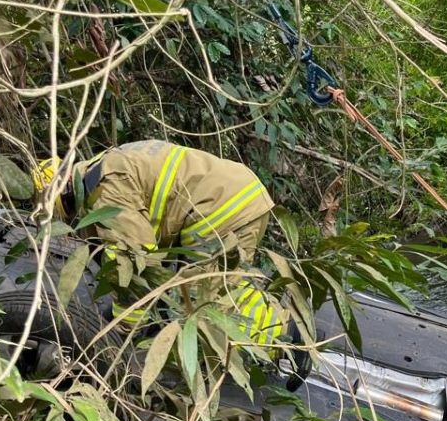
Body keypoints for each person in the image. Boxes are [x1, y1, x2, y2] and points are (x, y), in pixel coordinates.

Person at [32, 140, 282, 342]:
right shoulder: (106, 166)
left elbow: (134, 254)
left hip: (221, 208)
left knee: (201, 305)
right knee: (222, 287)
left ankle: (283, 339)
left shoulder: (103, 187)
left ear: (61, 197)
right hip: (234, 196)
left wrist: (125, 323)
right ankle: (279, 330)